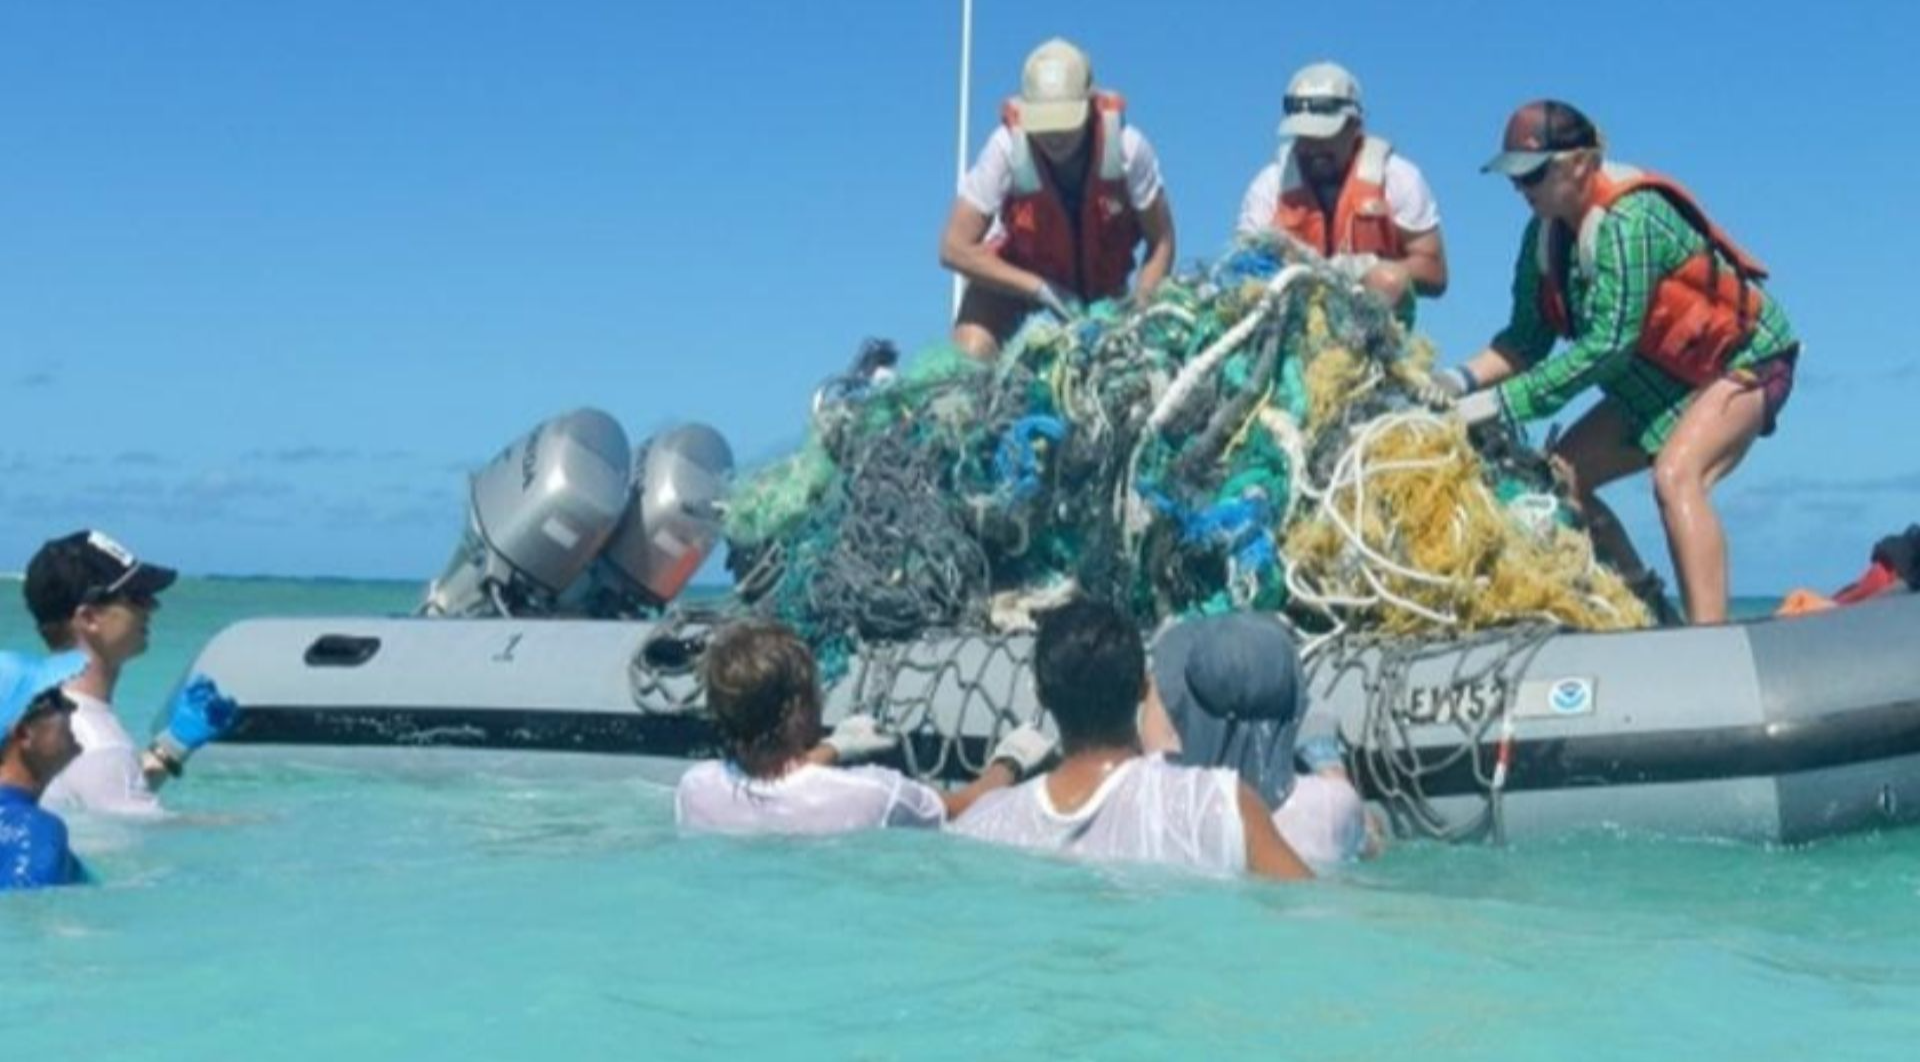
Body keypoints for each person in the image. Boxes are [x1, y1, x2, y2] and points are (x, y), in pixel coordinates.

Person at [1438, 100, 1800, 625]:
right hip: (1655, 385)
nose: (1523, 189)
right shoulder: (1541, 238)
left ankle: (1709, 639)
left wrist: (1497, 404)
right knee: (1558, 479)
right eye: (1514, 178)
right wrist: (1454, 382)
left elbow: (1608, 346)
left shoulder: (1632, 221)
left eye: (1534, 175)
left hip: (1744, 364)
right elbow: (1523, 341)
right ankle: (1648, 610)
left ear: (1581, 164)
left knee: (1677, 475)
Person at [952, 600, 1313, 880]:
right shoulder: (1216, 804)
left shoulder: (983, 827)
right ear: (1144, 688)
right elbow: (1306, 913)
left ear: (1042, 697)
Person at [675, 619, 1052, 835]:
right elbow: (955, 809)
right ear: (802, 711)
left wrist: (833, 748)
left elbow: (775, 786)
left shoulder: (694, 790)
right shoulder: (874, 794)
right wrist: (1009, 763)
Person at [939, 38, 1177, 359]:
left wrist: (1141, 308)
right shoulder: (1005, 149)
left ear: (1090, 101)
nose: (1054, 136)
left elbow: (1161, 240)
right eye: (1044, 122)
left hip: (1103, 295)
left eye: (1065, 121)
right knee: (971, 351)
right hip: (1017, 280)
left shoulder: (1129, 150)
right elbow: (953, 248)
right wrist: (1040, 289)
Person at [24, 530, 240, 817]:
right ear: (89, 618)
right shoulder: (98, 745)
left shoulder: (29, 706)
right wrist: (257, 824)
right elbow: (132, 846)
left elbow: (102, 799)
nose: (153, 606)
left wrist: (174, 743)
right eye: (137, 597)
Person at [1140, 612, 1377, 869]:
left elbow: (1156, 756)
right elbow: (1370, 841)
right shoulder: (1329, 806)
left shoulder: (1166, 808)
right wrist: (1328, 762)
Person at [1235, 61, 1447, 318]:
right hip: (1289, 318)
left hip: (1372, 321)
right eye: (1305, 136)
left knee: (1387, 280)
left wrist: (1366, 267)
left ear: (1354, 127)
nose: (1314, 148)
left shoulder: (1399, 178)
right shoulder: (1269, 186)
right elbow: (1242, 268)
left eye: (1325, 136)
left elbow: (1435, 272)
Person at [1, 650, 91, 890]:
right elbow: (29, 920)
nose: (72, 706)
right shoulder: (32, 829)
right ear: (24, 733)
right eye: (56, 699)